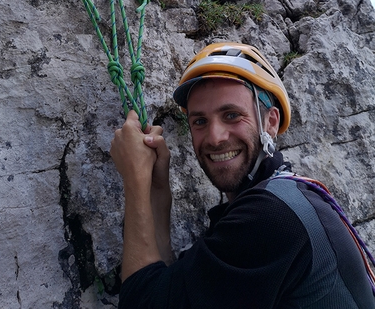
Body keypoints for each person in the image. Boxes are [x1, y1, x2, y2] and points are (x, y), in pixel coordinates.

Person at [110, 42, 375, 308]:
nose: (215, 138)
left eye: (232, 115)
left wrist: (135, 179)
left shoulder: (271, 217)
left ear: (270, 122)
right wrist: (156, 189)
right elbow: (168, 288)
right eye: (200, 121)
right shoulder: (284, 199)